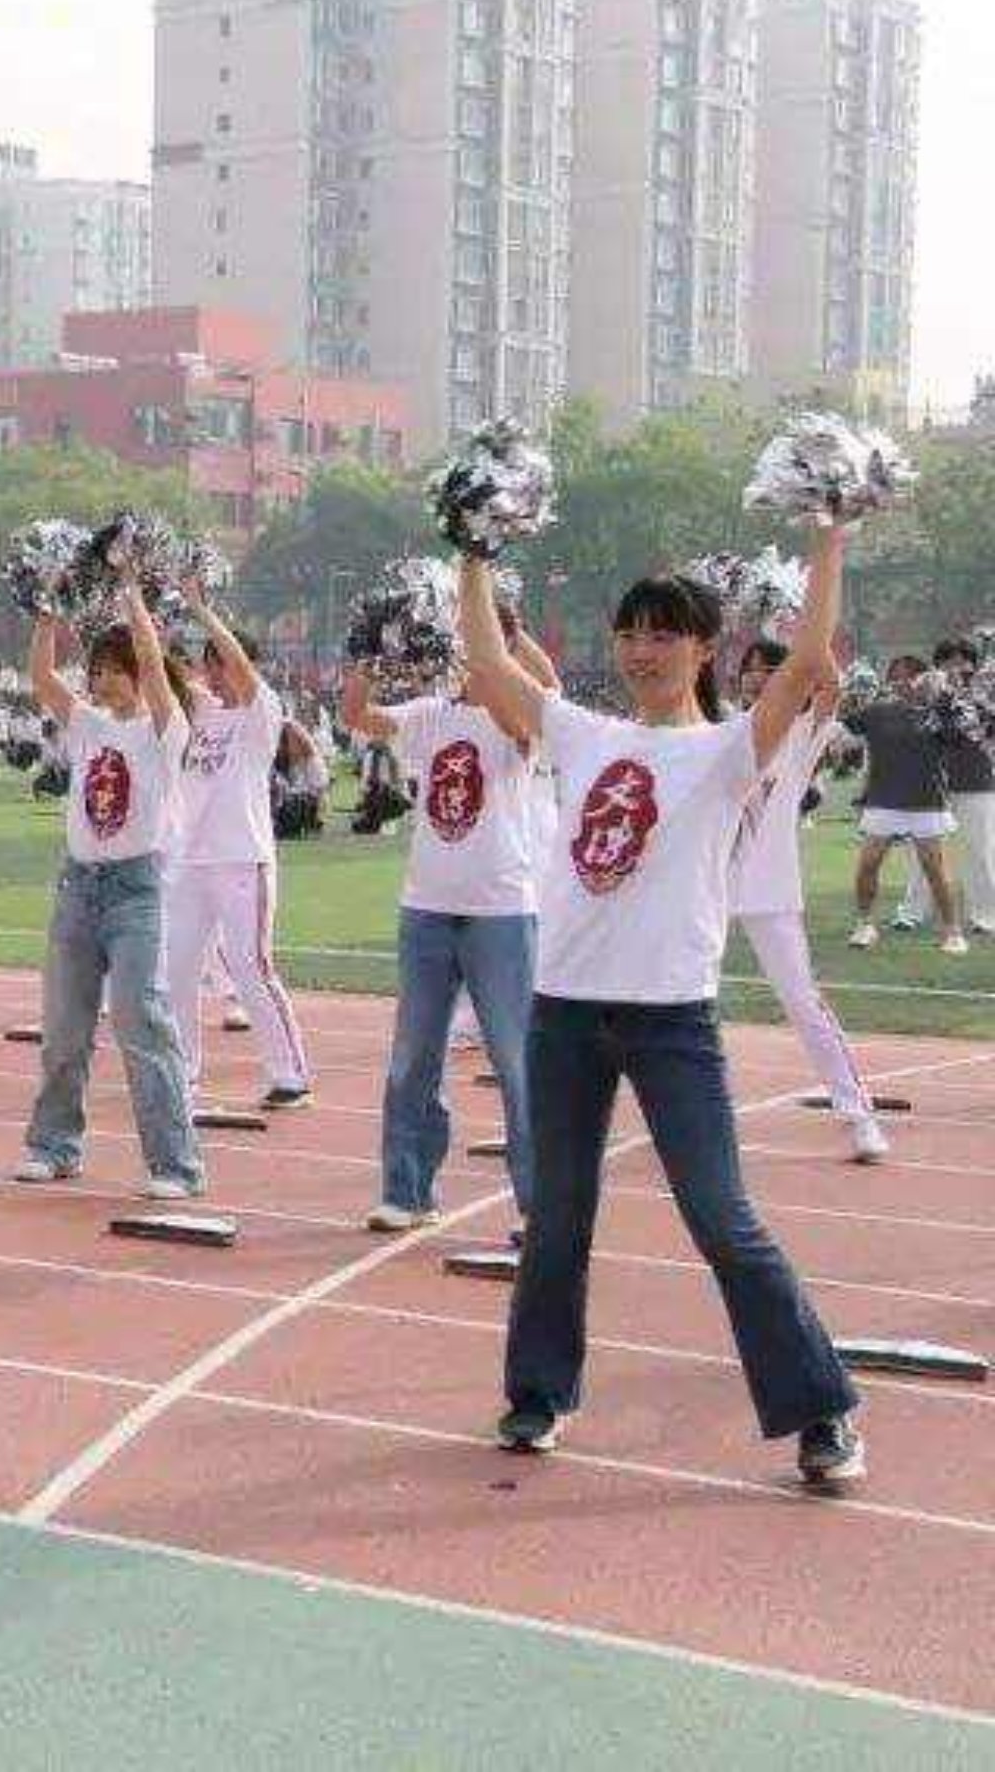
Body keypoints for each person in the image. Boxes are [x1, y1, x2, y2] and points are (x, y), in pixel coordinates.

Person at [455, 535, 867, 1488]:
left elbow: (807, 658)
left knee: (721, 1219)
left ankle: (822, 1408)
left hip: (670, 1019)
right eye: (629, 634)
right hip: (564, 1011)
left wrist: (829, 536)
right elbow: (484, 660)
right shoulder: (582, 733)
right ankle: (538, 1394)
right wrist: (473, 551)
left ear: (703, 649)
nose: (641, 652)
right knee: (555, 1217)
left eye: (663, 635)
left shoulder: (727, 750)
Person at [336, 620, 555, 1232]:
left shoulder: (515, 714)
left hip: (501, 912)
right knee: (413, 1057)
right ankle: (406, 1191)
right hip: (427, 907)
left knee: (517, 1063)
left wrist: (503, 643)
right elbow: (357, 716)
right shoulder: (431, 713)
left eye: (473, 643)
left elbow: (536, 702)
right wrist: (369, 652)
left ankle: (541, 1210)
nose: (461, 656)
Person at [18, 575, 203, 1196]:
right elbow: (43, 678)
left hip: (135, 891)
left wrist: (133, 599)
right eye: (95, 670)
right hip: (78, 886)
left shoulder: (165, 730)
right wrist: (46, 613)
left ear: (136, 673)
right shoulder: (89, 724)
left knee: (141, 1021)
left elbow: (153, 660)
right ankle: (54, 1145)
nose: (99, 680)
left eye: (110, 670)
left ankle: (175, 1164)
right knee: (64, 1029)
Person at [726, 638, 889, 1163]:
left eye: (768, 669)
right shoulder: (722, 726)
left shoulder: (802, 733)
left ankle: (858, 1114)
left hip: (770, 890)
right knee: (677, 1001)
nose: (756, 677)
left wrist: (807, 637)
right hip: (706, 890)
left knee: (802, 1001)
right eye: (749, 669)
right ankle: (686, 1116)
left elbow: (830, 685)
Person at [162, 610, 316, 1113]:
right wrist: (147, 609)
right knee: (176, 968)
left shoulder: (262, 710)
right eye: (210, 664)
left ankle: (290, 1075)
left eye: (223, 663)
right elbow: (159, 670)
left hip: (242, 858)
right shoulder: (199, 711)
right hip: (191, 860)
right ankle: (182, 1073)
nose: (215, 673)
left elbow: (244, 676)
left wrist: (202, 611)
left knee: (251, 966)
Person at [840, 655, 970, 954]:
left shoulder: (940, 712)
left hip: (926, 801)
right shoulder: (878, 711)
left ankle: (952, 931)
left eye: (909, 676)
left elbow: (956, 738)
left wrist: (945, 699)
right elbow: (843, 725)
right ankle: (865, 925)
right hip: (884, 800)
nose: (902, 682)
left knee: (934, 869)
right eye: (895, 677)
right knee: (868, 864)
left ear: (925, 679)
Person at [892, 633, 995, 938]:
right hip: (931, 782)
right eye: (947, 662)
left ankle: (986, 915)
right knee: (922, 851)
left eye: (962, 662)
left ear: (973, 665)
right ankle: (912, 912)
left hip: (976, 781)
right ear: (937, 665)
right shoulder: (926, 692)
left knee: (979, 851)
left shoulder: (985, 692)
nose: (954, 667)